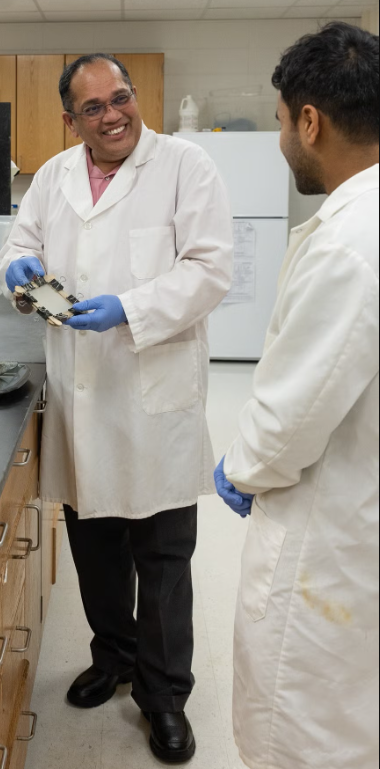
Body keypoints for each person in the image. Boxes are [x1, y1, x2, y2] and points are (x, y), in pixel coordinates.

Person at [0, 54, 233, 762]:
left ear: (136, 98)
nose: (112, 115)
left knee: (161, 556)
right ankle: (114, 656)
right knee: (93, 545)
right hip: (78, 391)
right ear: (71, 119)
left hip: (150, 386)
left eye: (120, 98)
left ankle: (164, 696)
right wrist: (13, 266)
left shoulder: (185, 166)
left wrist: (129, 307)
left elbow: (211, 267)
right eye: (93, 107)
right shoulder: (53, 175)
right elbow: (20, 242)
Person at [215, 22, 379, 769]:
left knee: (308, 735)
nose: (282, 137)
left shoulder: (348, 242)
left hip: (335, 537)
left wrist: (242, 468)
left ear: (308, 121)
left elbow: (291, 421)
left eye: (281, 121)